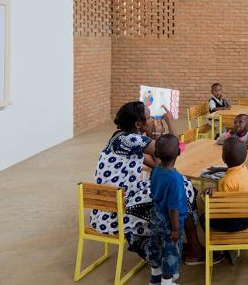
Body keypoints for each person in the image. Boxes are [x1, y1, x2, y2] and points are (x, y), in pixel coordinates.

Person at [91, 101, 215, 267]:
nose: (153, 120)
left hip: (115, 203)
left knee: (180, 185)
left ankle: (186, 244)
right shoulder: (131, 140)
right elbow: (172, 151)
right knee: (181, 189)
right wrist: (168, 123)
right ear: (138, 124)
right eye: (149, 117)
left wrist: (154, 136)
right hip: (113, 213)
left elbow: (160, 164)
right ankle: (191, 250)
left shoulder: (121, 137)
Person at [203, 137, 248, 265]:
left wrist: (211, 195)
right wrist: (219, 169)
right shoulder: (244, 170)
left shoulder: (226, 181)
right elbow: (232, 170)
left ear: (224, 158)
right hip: (247, 219)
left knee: (203, 217)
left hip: (233, 222)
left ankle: (222, 249)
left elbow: (221, 209)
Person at [148, 135, 186, 285]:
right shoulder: (175, 179)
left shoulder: (156, 170)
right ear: (179, 152)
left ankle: (154, 279)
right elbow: (174, 208)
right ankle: (166, 282)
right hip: (170, 222)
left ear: (156, 154)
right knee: (170, 252)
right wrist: (176, 229)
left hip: (156, 216)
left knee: (155, 247)